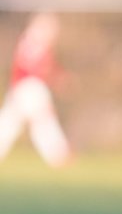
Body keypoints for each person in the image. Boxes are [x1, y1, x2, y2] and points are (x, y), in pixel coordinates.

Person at [0, 13, 72, 167]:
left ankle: (58, 154)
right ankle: (58, 155)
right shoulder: (35, 42)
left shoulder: (32, 42)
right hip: (30, 88)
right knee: (42, 121)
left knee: (10, 122)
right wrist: (57, 79)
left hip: (23, 88)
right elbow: (35, 68)